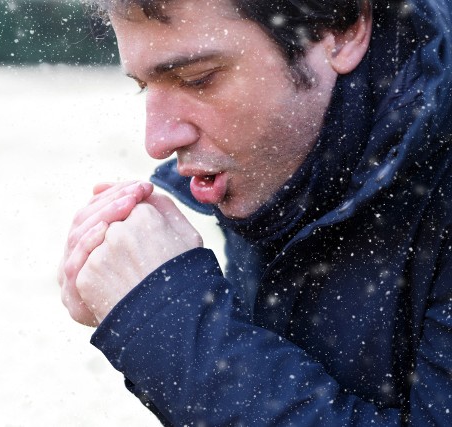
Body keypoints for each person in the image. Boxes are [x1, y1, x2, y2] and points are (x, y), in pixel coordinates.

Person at [58, 0, 452, 424]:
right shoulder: (278, 163)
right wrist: (147, 306)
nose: (156, 142)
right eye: (144, 86)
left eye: (198, 79)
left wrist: (165, 320)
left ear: (341, 30)